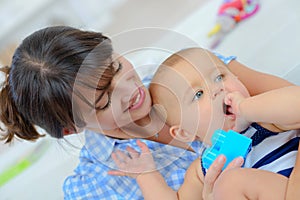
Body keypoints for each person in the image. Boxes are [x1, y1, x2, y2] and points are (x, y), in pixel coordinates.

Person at [0, 26, 298, 199]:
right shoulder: (93, 188)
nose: (129, 89)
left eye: (116, 66)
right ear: (71, 128)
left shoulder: (190, 72)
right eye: (103, 101)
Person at [109, 47, 300, 199]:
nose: (216, 89)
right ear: (184, 133)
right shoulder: (202, 169)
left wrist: (247, 108)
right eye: (198, 94)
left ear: (238, 80)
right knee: (228, 184)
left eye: (219, 77)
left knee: (231, 182)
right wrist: (147, 176)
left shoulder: (264, 118)